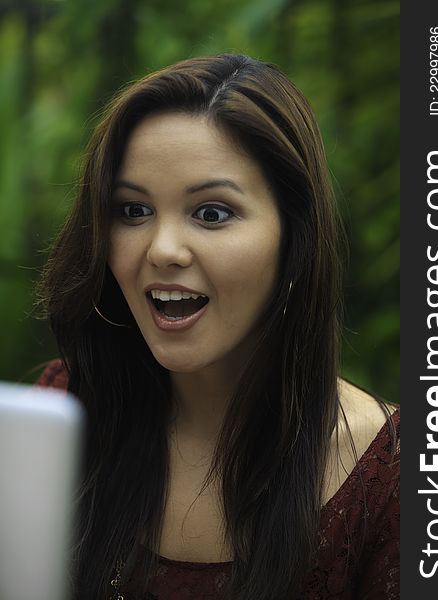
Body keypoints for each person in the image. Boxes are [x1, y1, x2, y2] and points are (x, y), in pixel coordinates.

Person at [36, 54, 399, 600]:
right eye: (132, 211)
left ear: (293, 237)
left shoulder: (399, 480)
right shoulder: (63, 410)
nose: (161, 249)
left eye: (211, 214)